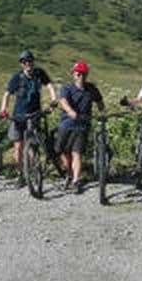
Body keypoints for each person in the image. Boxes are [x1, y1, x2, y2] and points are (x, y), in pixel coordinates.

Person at [0, 50, 57, 173]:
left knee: (32, 145)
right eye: (24, 62)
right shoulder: (17, 77)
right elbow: (7, 94)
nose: (27, 63)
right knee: (18, 146)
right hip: (19, 116)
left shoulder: (39, 73)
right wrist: (3, 109)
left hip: (35, 114)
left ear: (33, 61)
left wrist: (53, 101)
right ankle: (20, 172)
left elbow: (50, 86)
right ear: (21, 64)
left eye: (29, 61)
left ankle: (34, 171)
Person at [55, 60, 104, 193]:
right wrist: (70, 111)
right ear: (74, 75)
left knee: (77, 153)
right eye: (78, 74)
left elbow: (100, 103)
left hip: (82, 125)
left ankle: (76, 180)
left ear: (86, 75)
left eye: (83, 74)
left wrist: (102, 113)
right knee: (60, 150)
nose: (81, 77)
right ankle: (69, 172)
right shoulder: (67, 88)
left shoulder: (91, 89)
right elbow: (63, 101)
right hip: (67, 123)